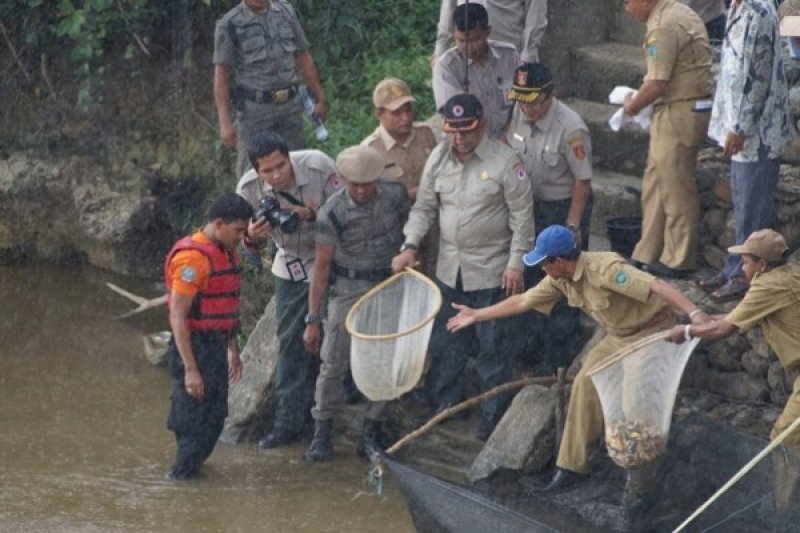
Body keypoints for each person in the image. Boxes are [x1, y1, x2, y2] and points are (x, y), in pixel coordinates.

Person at [447, 225, 711, 491]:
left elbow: (657, 285)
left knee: (635, 404)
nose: (541, 268)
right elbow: (522, 302)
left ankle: (641, 483)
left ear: (559, 261)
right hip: (616, 335)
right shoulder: (559, 279)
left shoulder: (605, 269)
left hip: (651, 332)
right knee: (585, 383)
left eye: (544, 263)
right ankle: (571, 468)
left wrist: (696, 313)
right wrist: (476, 314)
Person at [392, 93, 535, 441]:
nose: (459, 138)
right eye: (453, 131)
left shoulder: (505, 161)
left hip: (492, 270)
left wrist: (517, 264)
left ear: (481, 124)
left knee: (493, 349)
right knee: (446, 344)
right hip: (449, 269)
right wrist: (410, 245)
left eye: (466, 131)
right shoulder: (439, 158)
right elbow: (424, 208)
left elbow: (523, 218)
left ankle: (493, 418)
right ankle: (444, 406)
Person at [666, 229, 800, 512]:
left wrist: (688, 330)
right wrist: (701, 319)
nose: (741, 267)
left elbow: (725, 329)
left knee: (784, 438)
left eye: (746, 261)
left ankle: (783, 515)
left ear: (761, 264)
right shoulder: (788, 276)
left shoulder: (768, 286)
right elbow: (733, 317)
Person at [301, 145, 409, 462]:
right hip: (348, 286)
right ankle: (321, 432)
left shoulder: (394, 194)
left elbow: (412, 227)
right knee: (334, 359)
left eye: (367, 183)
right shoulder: (331, 212)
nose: (361, 190)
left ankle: (371, 430)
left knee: (386, 359)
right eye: (354, 184)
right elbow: (321, 268)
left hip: (388, 283)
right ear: (344, 180)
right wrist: (313, 318)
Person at [236, 131, 342, 449]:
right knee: (290, 344)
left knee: (333, 336)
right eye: (267, 171)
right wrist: (253, 236)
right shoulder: (248, 189)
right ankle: (287, 422)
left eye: (281, 166)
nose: (276, 175)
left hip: (334, 257)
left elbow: (348, 210)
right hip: (290, 262)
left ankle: (329, 418)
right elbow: (245, 244)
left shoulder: (319, 167)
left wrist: (310, 214)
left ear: (289, 157)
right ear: (257, 171)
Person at [695, 0, 793, 303]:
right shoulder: (737, 7)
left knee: (753, 209)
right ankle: (733, 268)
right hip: (739, 128)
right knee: (742, 203)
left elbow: (757, 76)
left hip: (756, 132)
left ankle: (746, 277)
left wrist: (738, 127)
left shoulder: (759, 11)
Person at [506, 61, 594, 373]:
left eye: (532, 102)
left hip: (561, 208)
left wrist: (572, 224)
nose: (526, 108)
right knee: (532, 280)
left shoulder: (571, 129)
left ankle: (558, 359)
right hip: (529, 206)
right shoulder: (519, 111)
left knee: (562, 284)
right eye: (521, 100)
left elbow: (582, 180)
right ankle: (530, 347)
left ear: (550, 95)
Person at [163, 193, 253, 480]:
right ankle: (182, 483)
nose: (242, 236)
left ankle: (193, 473)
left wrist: (232, 349)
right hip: (193, 347)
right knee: (192, 422)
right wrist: (191, 369)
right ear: (218, 224)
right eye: (238, 230)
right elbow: (178, 315)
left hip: (215, 346)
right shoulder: (193, 260)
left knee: (214, 419)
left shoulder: (226, 250)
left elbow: (225, 306)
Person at [623, 0, 713, 279]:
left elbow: (657, 83)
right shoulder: (676, 11)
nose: (627, 9)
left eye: (628, 2)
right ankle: (648, 250)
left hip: (679, 110)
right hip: (674, 108)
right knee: (655, 182)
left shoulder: (663, 26)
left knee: (675, 185)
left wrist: (631, 105)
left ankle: (679, 258)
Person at [214, 0, 327, 179]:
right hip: (255, 112)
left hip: (290, 107)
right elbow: (222, 75)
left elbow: (303, 56)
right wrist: (225, 121)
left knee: (296, 164)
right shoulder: (230, 23)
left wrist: (320, 97)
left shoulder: (286, 12)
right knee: (252, 171)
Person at [362, 78, 439, 276]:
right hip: (396, 231)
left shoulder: (425, 134)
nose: (405, 117)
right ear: (379, 114)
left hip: (434, 222)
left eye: (408, 109)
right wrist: (410, 193)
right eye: (396, 113)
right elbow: (368, 200)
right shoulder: (370, 150)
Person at [432, 3, 518, 140]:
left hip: (508, 139)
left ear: (487, 32)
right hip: (469, 144)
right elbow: (455, 120)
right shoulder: (446, 67)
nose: (468, 47)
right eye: (461, 40)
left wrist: (507, 138)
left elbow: (519, 104)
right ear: (453, 34)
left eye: (475, 40)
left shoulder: (509, 55)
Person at [434, 0, 548, 64]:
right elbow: (448, 10)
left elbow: (536, 17)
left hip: (510, 58)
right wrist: (440, 51)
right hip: (468, 61)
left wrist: (527, 56)